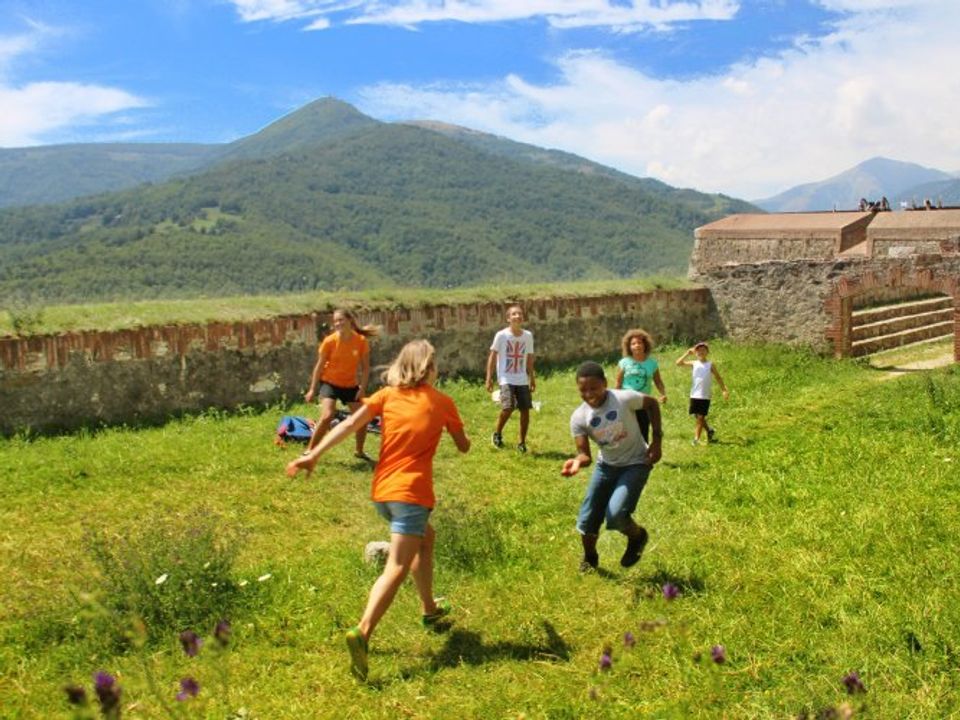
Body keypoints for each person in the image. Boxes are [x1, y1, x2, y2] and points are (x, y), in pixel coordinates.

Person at [287, 340, 470, 682]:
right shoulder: (442, 402)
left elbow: (347, 425)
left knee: (426, 539)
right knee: (396, 566)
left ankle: (429, 609)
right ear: (429, 368)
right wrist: (455, 429)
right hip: (411, 495)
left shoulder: (386, 396)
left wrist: (313, 454)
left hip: (383, 493)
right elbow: (463, 446)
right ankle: (363, 631)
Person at [561, 361, 662, 573]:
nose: (589, 394)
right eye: (583, 390)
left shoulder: (623, 398)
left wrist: (656, 441)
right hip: (606, 466)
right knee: (587, 519)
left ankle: (638, 536)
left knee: (616, 514)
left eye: (594, 388)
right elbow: (585, 455)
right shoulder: (579, 417)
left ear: (605, 383)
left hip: (636, 462)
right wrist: (577, 461)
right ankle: (590, 558)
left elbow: (652, 404)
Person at [304, 308, 377, 459]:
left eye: (341, 320)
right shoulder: (329, 341)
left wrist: (362, 389)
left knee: (362, 418)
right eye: (335, 321)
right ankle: (310, 451)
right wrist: (312, 389)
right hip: (329, 383)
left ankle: (359, 451)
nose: (337, 323)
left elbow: (366, 368)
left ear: (350, 320)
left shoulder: (361, 341)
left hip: (350, 385)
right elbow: (319, 366)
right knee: (327, 416)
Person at [485, 304, 536, 453]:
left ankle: (521, 442)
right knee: (508, 407)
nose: (517, 316)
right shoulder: (501, 335)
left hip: (521, 378)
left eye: (520, 314)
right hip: (506, 377)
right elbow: (493, 356)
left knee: (525, 409)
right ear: (508, 318)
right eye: (514, 314)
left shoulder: (527, 336)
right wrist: (489, 377)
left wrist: (532, 378)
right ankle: (497, 433)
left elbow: (529, 358)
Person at [614, 328, 667, 443]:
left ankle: (643, 453)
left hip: (643, 403)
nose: (637, 345)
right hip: (626, 402)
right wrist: (614, 401)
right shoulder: (624, 363)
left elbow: (658, 382)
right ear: (629, 347)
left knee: (643, 431)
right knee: (626, 433)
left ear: (645, 345)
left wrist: (663, 394)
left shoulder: (652, 363)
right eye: (633, 344)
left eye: (639, 342)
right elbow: (618, 383)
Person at [675, 341, 729, 445]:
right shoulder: (694, 363)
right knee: (697, 416)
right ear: (695, 353)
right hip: (694, 394)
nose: (701, 352)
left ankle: (696, 439)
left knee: (700, 417)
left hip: (705, 395)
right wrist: (687, 353)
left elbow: (718, 377)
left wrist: (724, 390)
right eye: (698, 350)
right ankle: (709, 431)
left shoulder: (710, 365)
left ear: (707, 352)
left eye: (703, 350)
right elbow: (678, 363)